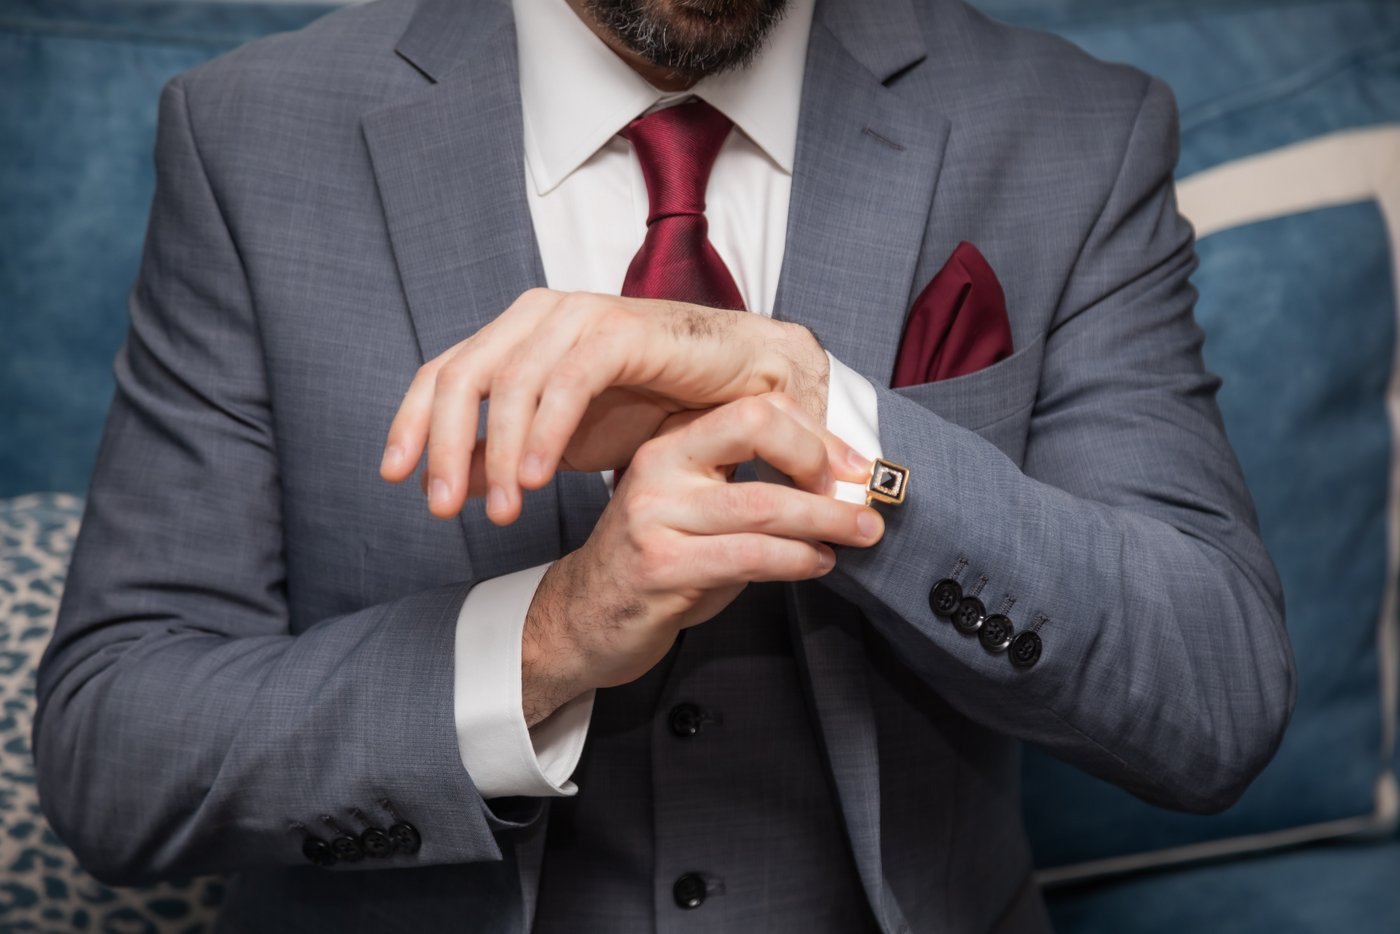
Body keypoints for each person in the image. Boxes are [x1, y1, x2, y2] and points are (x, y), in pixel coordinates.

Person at [34, 0, 1295, 930]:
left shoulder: (1076, 131)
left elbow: (1212, 698)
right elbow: (116, 755)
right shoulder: (250, 137)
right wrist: (544, 636)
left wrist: (826, 424)